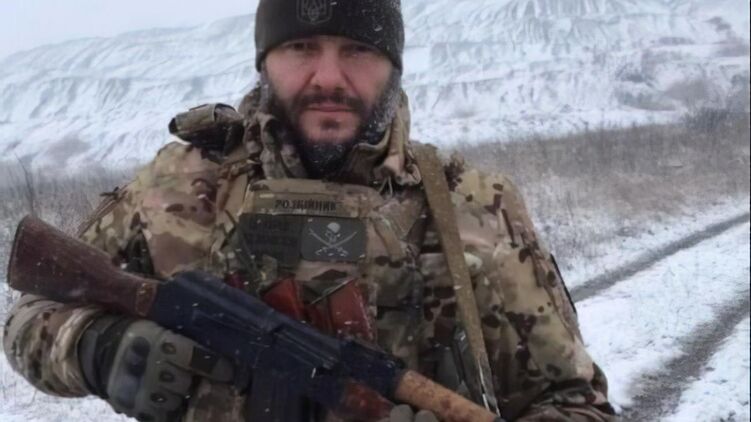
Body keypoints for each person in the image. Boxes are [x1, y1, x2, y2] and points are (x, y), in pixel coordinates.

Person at [3, 1, 616, 421]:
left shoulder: (474, 206)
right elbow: (31, 313)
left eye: (358, 50)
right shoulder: (178, 184)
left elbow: (574, 400)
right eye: (301, 46)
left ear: (393, 66)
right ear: (265, 60)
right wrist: (96, 347)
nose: (329, 76)